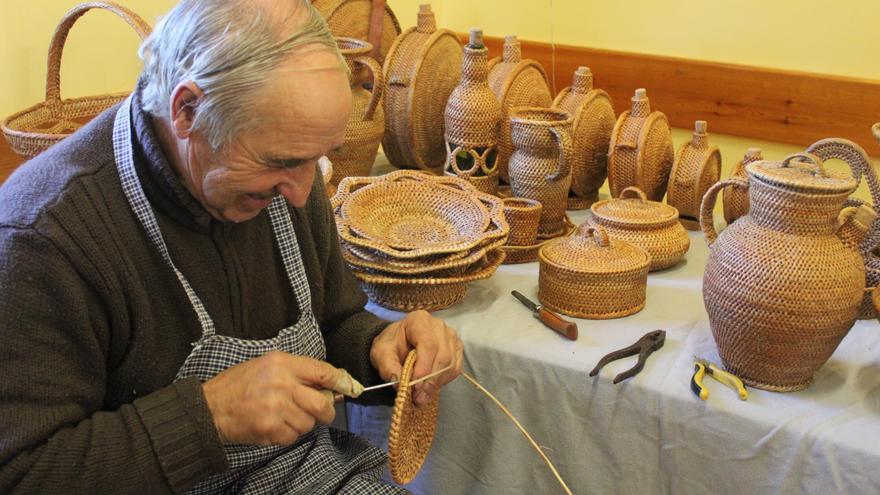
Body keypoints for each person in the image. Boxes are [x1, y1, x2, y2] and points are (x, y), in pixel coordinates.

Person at [0, 0, 463, 492]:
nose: (304, 193)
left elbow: (335, 322)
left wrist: (377, 349)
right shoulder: (43, 237)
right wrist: (209, 417)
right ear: (187, 110)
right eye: (281, 161)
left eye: (317, 158)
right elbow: (21, 473)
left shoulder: (286, 170)